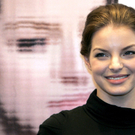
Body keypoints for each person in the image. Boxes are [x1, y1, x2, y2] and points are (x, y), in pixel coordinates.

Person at [37, 3, 135, 135]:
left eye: (129, 53)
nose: (115, 65)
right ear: (87, 61)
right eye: (102, 55)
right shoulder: (58, 129)